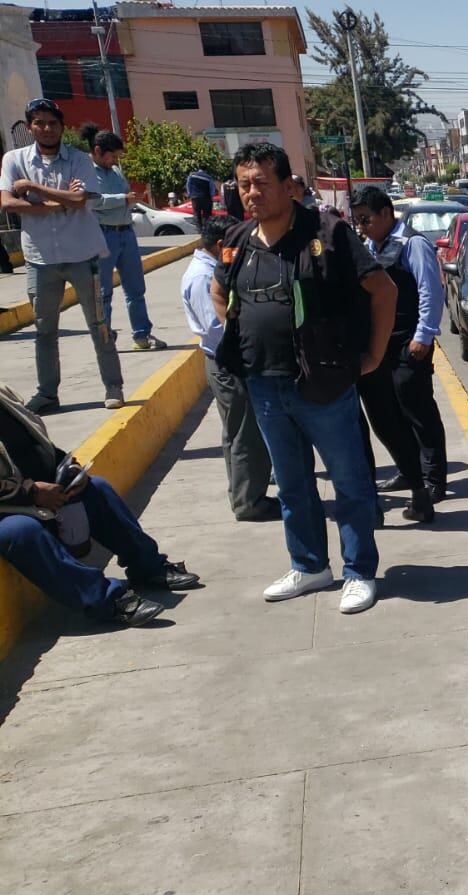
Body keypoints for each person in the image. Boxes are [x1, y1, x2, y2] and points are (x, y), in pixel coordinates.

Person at [210, 142, 398, 615]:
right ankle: (310, 565)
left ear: (287, 186)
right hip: (263, 384)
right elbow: (218, 289)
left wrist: (374, 355)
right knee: (293, 485)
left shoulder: (328, 234)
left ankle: (359, 571)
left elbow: (383, 290)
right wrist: (243, 335)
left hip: (324, 384)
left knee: (350, 482)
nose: (251, 193)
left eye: (261, 183)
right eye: (244, 184)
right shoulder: (238, 238)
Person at [0, 382, 200, 628]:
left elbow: (37, 443)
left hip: (38, 492)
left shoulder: (3, 394)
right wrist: (30, 492)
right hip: (9, 508)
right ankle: (107, 600)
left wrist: (70, 468)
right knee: (20, 531)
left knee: (97, 488)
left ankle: (148, 567)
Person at [0, 98, 125, 415]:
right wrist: (60, 202)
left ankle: (113, 387)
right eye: (39, 122)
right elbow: (8, 203)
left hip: (83, 254)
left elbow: (81, 199)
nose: (46, 128)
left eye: (52, 123)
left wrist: (31, 188)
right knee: (44, 330)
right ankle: (47, 394)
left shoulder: (80, 160)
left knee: (98, 323)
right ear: (30, 127)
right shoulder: (14, 159)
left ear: (61, 126)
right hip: (39, 258)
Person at [350, 186, 448, 520]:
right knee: (390, 413)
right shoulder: (370, 247)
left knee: (418, 409)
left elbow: (429, 291)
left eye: (366, 219)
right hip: (382, 344)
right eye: (357, 220)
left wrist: (424, 335)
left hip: (410, 342)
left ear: (385, 214)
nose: (361, 227)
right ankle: (410, 471)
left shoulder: (413, 244)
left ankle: (434, 479)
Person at [180, 214, 277, 522]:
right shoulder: (202, 277)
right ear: (222, 244)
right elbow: (218, 329)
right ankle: (249, 501)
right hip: (228, 363)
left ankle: (245, 493)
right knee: (245, 435)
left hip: (229, 361)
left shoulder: (212, 269)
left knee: (239, 432)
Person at [84, 124, 166, 351]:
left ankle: (142, 335)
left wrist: (129, 199)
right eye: (112, 156)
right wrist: (123, 199)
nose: (115, 161)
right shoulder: (86, 172)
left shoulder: (116, 172)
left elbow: (124, 195)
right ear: (98, 151)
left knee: (135, 289)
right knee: (103, 292)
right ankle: (104, 338)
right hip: (103, 234)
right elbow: (93, 201)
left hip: (126, 232)